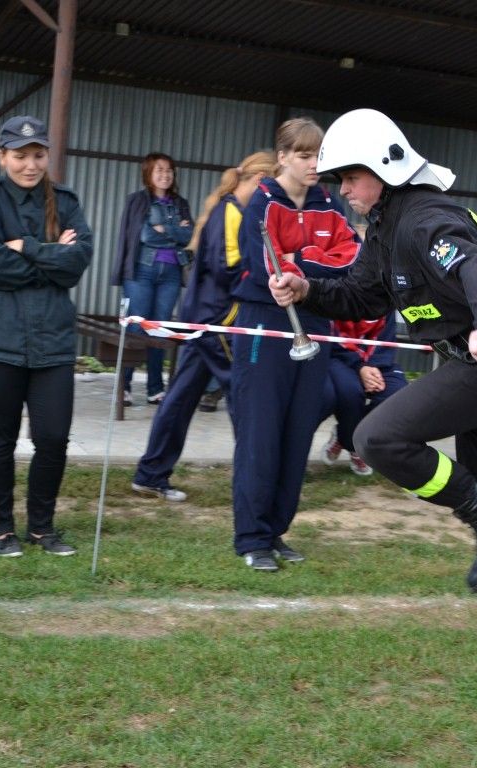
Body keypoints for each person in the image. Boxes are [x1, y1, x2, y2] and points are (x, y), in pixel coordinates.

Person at [270, 108, 477, 627]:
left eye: (351, 177)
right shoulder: (387, 226)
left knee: (377, 439)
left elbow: (472, 266)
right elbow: (362, 295)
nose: (344, 190)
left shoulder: (421, 220)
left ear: (384, 169)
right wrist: (307, 289)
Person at [230, 117, 359, 572]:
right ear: (282, 156)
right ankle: (251, 537)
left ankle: (276, 530)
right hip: (266, 323)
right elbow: (262, 261)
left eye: (318, 156)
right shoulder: (262, 202)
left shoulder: (330, 204)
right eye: (304, 155)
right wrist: (308, 265)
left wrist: (301, 264)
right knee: (260, 434)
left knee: (296, 432)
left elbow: (350, 258)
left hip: (315, 320)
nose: (313, 165)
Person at [0, 115, 93, 557]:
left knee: (53, 437)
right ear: (3, 157)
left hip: (52, 342)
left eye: (38, 155)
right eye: (20, 156)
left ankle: (42, 527)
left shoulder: (67, 201)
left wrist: (29, 247)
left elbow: (77, 266)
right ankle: (2, 529)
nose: (30, 165)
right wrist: (53, 255)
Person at [130, 151, 277, 501]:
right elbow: (230, 267)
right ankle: (258, 482)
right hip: (217, 323)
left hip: (204, 321)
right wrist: (270, 266)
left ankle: (151, 473)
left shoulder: (232, 210)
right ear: (259, 181)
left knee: (180, 399)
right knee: (244, 397)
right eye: (271, 187)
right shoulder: (230, 213)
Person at [110, 153, 193, 405]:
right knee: (136, 327)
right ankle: (124, 387)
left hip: (170, 274)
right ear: (148, 173)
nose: (165, 175)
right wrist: (175, 231)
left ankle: (154, 389)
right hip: (141, 272)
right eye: (159, 170)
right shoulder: (137, 201)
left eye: (169, 170)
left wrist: (166, 231)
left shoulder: (180, 203)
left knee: (160, 329)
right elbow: (145, 235)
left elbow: (189, 236)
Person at [320, 313, 409, 476]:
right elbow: (333, 341)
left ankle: (344, 435)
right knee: (350, 392)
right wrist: (360, 366)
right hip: (341, 359)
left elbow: (386, 340)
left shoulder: (386, 300)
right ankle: (355, 447)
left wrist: (372, 367)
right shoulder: (336, 294)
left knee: (400, 395)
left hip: (379, 363)